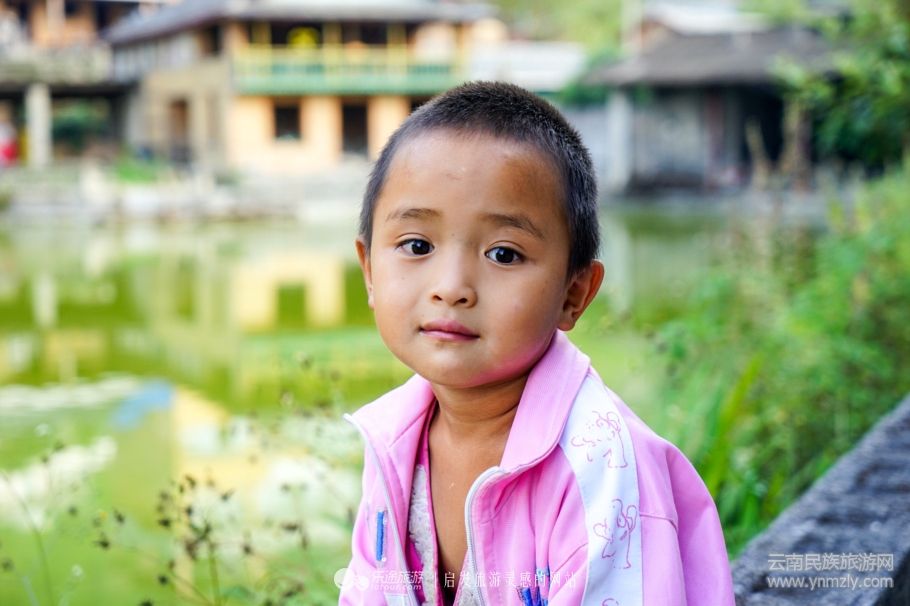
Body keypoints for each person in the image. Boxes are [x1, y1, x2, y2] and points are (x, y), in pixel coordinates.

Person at [340, 81, 734, 606]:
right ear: (369, 271)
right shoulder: (392, 437)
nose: (451, 287)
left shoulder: (601, 469)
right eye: (417, 245)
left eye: (503, 254)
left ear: (574, 294)